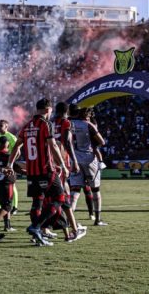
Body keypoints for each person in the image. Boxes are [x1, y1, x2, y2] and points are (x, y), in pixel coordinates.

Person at [8, 99, 70, 247]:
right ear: (48, 109)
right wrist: (62, 165)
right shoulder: (45, 124)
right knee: (60, 197)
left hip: (32, 172)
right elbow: (53, 145)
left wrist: (9, 164)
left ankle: (38, 237)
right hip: (46, 170)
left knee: (37, 202)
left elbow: (16, 146)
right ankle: (36, 226)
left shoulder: (27, 126)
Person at [52, 102, 86, 242]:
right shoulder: (66, 122)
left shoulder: (51, 123)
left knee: (54, 194)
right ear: (67, 111)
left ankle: (47, 228)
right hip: (62, 161)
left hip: (51, 160)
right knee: (63, 196)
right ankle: (72, 229)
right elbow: (67, 142)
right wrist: (74, 160)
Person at [71, 107, 107, 227]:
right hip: (89, 158)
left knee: (75, 190)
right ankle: (98, 219)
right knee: (95, 189)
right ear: (88, 115)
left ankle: (69, 220)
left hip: (75, 158)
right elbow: (102, 142)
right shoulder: (89, 125)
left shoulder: (70, 123)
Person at [0, 119, 19, 215]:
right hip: (0, 163)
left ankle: (14, 207)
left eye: (0, 126)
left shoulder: (12, 137)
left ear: (6, 127)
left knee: (12, 185)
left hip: (9, 163)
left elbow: (17, 151)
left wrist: (11, 162)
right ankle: (0, 206)